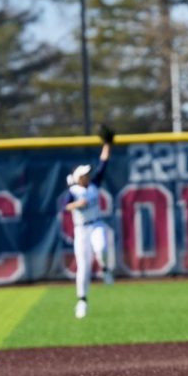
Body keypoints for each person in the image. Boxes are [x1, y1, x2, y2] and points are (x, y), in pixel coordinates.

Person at [64, 124, 116, 319]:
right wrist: (78, 204)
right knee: (83, 267)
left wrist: (107, 145)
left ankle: (104, 269)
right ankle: (82, 301)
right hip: (81, 230)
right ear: (78, 178)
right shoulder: (73, 191)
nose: (88, 175)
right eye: (84, 174)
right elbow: (64, 207)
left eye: (88, 173)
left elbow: (103, 163)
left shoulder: (94, 185)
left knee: (101, 247)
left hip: (96, 224)